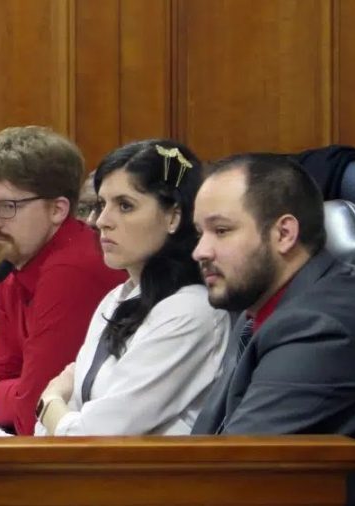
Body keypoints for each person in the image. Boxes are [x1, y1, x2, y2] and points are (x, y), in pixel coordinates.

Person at [191, 153, 355, 504]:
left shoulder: (320, 328)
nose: (200, 251)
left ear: (284, 233)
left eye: (221, 230)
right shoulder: (267, 305)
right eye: (199, 233)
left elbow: (227, 473)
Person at [34, 140, 229, 436]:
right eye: (101, 205)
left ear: (173, 216)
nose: (101, 221)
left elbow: (91, 437)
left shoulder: (190, 311)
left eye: (125, 206)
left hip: (150, 480)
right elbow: (63, 428)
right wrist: (60, 414)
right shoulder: (117, 298)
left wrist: (49, 403)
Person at [0, 126, 126, 435]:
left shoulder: (72, 269)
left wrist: (19, 395)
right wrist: (20, 392)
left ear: (57, 209)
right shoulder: (11, 264)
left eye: (6, 207)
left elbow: (34, 418)